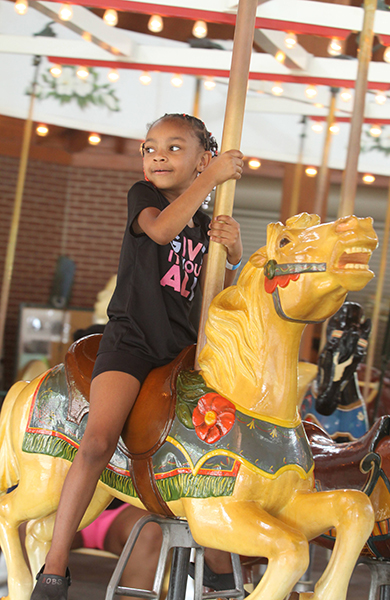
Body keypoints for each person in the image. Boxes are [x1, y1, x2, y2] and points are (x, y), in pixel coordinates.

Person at [30, 113, 244, 600]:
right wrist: (211, 180)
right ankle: (55, 567)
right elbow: (163, 231)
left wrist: (233, 254)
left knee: (214, 448)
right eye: (150, 148)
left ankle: (217, 562)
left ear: (202, 158)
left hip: (179, 355)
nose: (158, 156)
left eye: (173, 148)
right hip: (130, 342)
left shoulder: (209, 225)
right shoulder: (144, 198)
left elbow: (214, 298)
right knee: (98, 440)